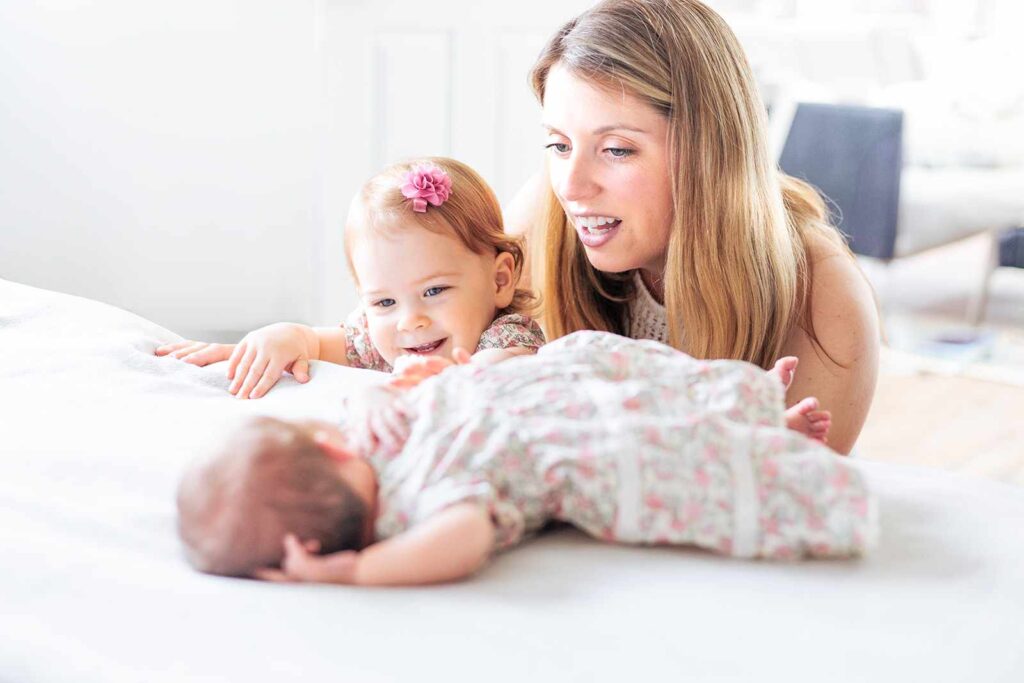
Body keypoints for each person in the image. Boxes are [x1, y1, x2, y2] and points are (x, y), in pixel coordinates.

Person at [176, 332, 868, 586]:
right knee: (641, 446)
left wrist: (380, 400)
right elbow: (464, 536)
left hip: (532, 384)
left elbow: (369, 400)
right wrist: (359, 570)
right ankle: (760, 438)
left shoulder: (364, 432)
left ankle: (748, 405)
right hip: (552, 438)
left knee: (593, 357)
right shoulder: (415, 505)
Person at [504, 0, 880, 454]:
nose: (572, 188)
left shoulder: (822, 294)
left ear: (708, 150)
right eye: (558, 144)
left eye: (617, 150)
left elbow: (793, 495)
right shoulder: (541, 216)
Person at [156, 158, 545, 399]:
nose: (410, 321)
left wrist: (449, 378)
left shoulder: (506, 336)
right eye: (384, 302)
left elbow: (502, 373)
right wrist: (285, 336)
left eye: (434, 290)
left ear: (499, 281)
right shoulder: (384, 338)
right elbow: (320, 343)